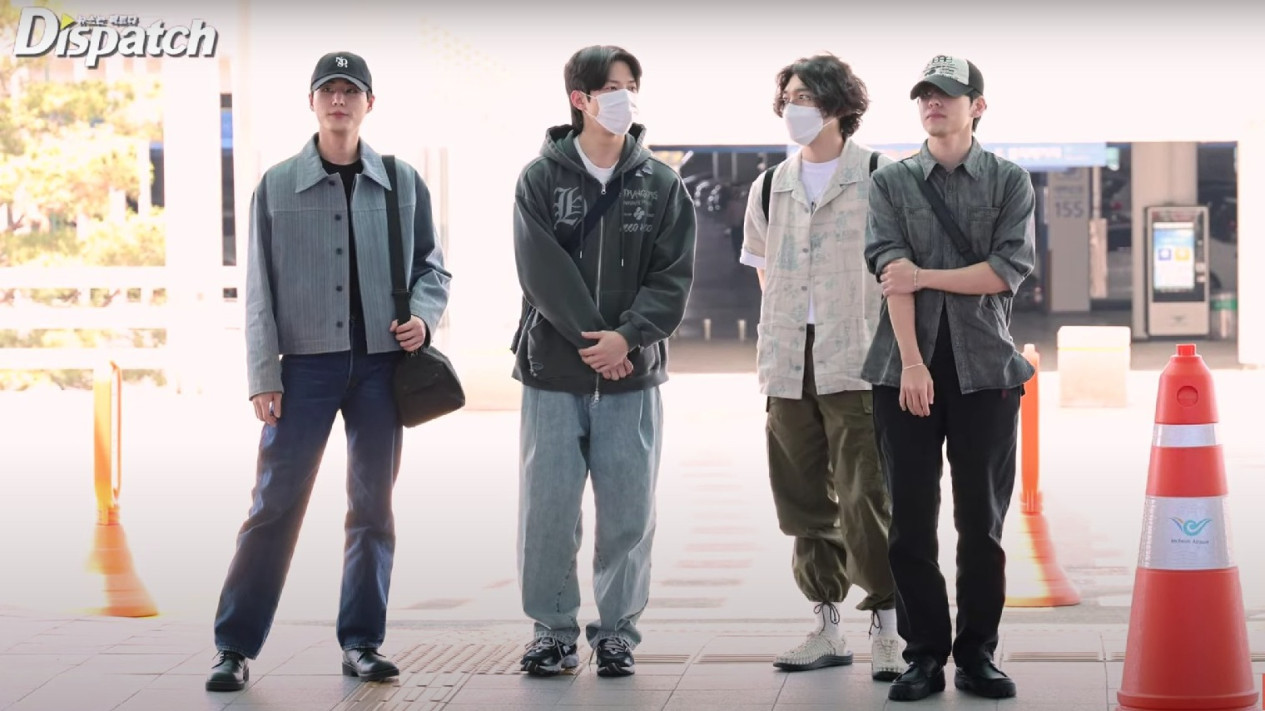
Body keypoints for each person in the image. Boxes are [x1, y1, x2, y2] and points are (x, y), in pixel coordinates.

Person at [206, 50, 452, 692]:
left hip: (381, 367)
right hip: (303, 370)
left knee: (373, 506)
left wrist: (423, 318)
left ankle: (362, 643)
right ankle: (233, 646)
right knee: (274, 504)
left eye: (351, 90)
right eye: (328, 90)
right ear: (312, 102)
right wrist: (263, 374)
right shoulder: (276, 185)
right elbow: (257, 288)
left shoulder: (402, 181)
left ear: (370, 103)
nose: (339, 100)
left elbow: (433, 268)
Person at [510, 44, 696, 679]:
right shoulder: (540, 179)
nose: (625, 97)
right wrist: (600, 340)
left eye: (631, 86)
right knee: (548, 511)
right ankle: (552, 631)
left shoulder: (662, 184)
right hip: (553, 372)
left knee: (629, 512)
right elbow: (540, 271)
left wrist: (629, 338)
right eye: (612, 87)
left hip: (632, 376)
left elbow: (673, 276)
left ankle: (617, 633)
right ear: (580, 99)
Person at [860, 55, 1036, 702]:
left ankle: (978, 654)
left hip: (986, 371)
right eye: (925, 95)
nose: (933, 104)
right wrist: (910, 362)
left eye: (947, 95)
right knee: (909, 521)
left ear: (977, 106)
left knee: (981, 524)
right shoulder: (891, 181)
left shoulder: (1009, 181)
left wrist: (925, 275)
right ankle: (923, 655)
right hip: (903, 369)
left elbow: (1003, 271)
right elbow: (890, 274)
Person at [739, 52, 904, 683]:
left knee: (867, 496)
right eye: (788, 98)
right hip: (788, 361)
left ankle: (887, 629)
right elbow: (764, 273)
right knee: (802, 496)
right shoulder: (769, 185)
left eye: (805, 97)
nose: (793, 109)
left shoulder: (881, 177)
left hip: (857, 358)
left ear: (838, 104)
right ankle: (827, 626)